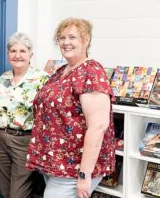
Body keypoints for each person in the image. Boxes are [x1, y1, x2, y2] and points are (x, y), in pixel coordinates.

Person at [26, 18, 116, 198]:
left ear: (86, 39)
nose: (66, 42)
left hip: (75, 165)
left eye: (72, 37)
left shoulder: (91, 71)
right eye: (62, 38)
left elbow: (98, 127)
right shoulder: (61, 71)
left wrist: (84, 175)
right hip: (55, 162)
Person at [0, 32, 49, 198]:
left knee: (17, 194)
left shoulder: (42, 79)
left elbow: (48, 117)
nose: (17, 55)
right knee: (5, 192)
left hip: (25, 142)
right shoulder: (3, 79)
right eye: (13, 51)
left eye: (22, 51)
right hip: (1, 140)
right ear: (8, 54)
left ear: (30, 55)